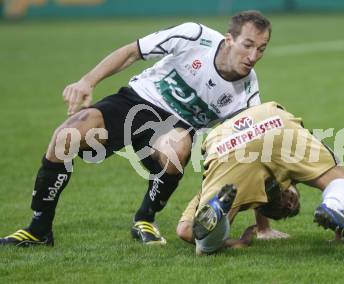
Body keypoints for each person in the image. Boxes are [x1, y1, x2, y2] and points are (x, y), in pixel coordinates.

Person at [0, 10, 280, 247]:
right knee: (65, 137)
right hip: (134, 102)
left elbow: (249, 150)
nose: (253, 55)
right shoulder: (194, 36)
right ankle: (39, 229)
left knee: (178, 148)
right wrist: (87, 81)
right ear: (229, 39)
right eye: (247, 45)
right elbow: (133, 52)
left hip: (173, 127)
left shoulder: (247, 94)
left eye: (262, 49)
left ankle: (145, 219)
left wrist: (263, 224)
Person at [176, 102, 344, 255]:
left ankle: (219, 210)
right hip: (273, 120)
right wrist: (340, 238)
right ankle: (332, 205)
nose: (290, 205)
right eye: (291, 208)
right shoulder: (281, 176)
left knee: (204, 245)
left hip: (225, 145)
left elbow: (185, 231)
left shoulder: (243, 190)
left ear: (263, 199)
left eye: (284, 209)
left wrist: (238, 241)